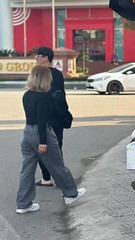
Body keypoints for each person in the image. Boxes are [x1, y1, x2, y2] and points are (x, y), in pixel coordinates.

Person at [16, 65, 86, 214]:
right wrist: (43, 141)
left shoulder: (26, 95)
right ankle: (71, 194)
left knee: (26, 170)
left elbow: (32, 118)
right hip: (41, 133)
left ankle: (23, 203)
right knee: (57, 165)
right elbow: (41, 120)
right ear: (46, 78)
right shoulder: (45, 96)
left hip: (27, 133)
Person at [34, 46, 66, 187]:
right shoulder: (58, 74)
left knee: (42, 148)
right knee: (57, 149)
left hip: (44, 117)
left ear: (45, 58)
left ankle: (46, 179)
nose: (36, 59)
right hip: (57, 117)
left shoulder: (40, 74)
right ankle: (60, 179)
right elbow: (61, 97)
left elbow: (37, 98)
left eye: (38, 56)